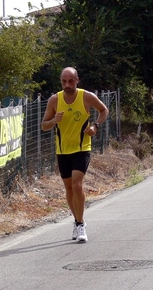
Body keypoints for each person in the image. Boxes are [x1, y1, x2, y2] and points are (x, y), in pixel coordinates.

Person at [41, 67, 109, 242]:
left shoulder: (85, 96)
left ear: (77, 80)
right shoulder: (55, 100)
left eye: (71, 81)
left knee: (77, 184)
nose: (67, 85)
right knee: (69, 188)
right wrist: (54, 120)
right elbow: (44, 125)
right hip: (63, 150)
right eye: (64, 81)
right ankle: (77, 220)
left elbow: (104, 110)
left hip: (82, 148)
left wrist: (95, 126)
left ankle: (80, 225)